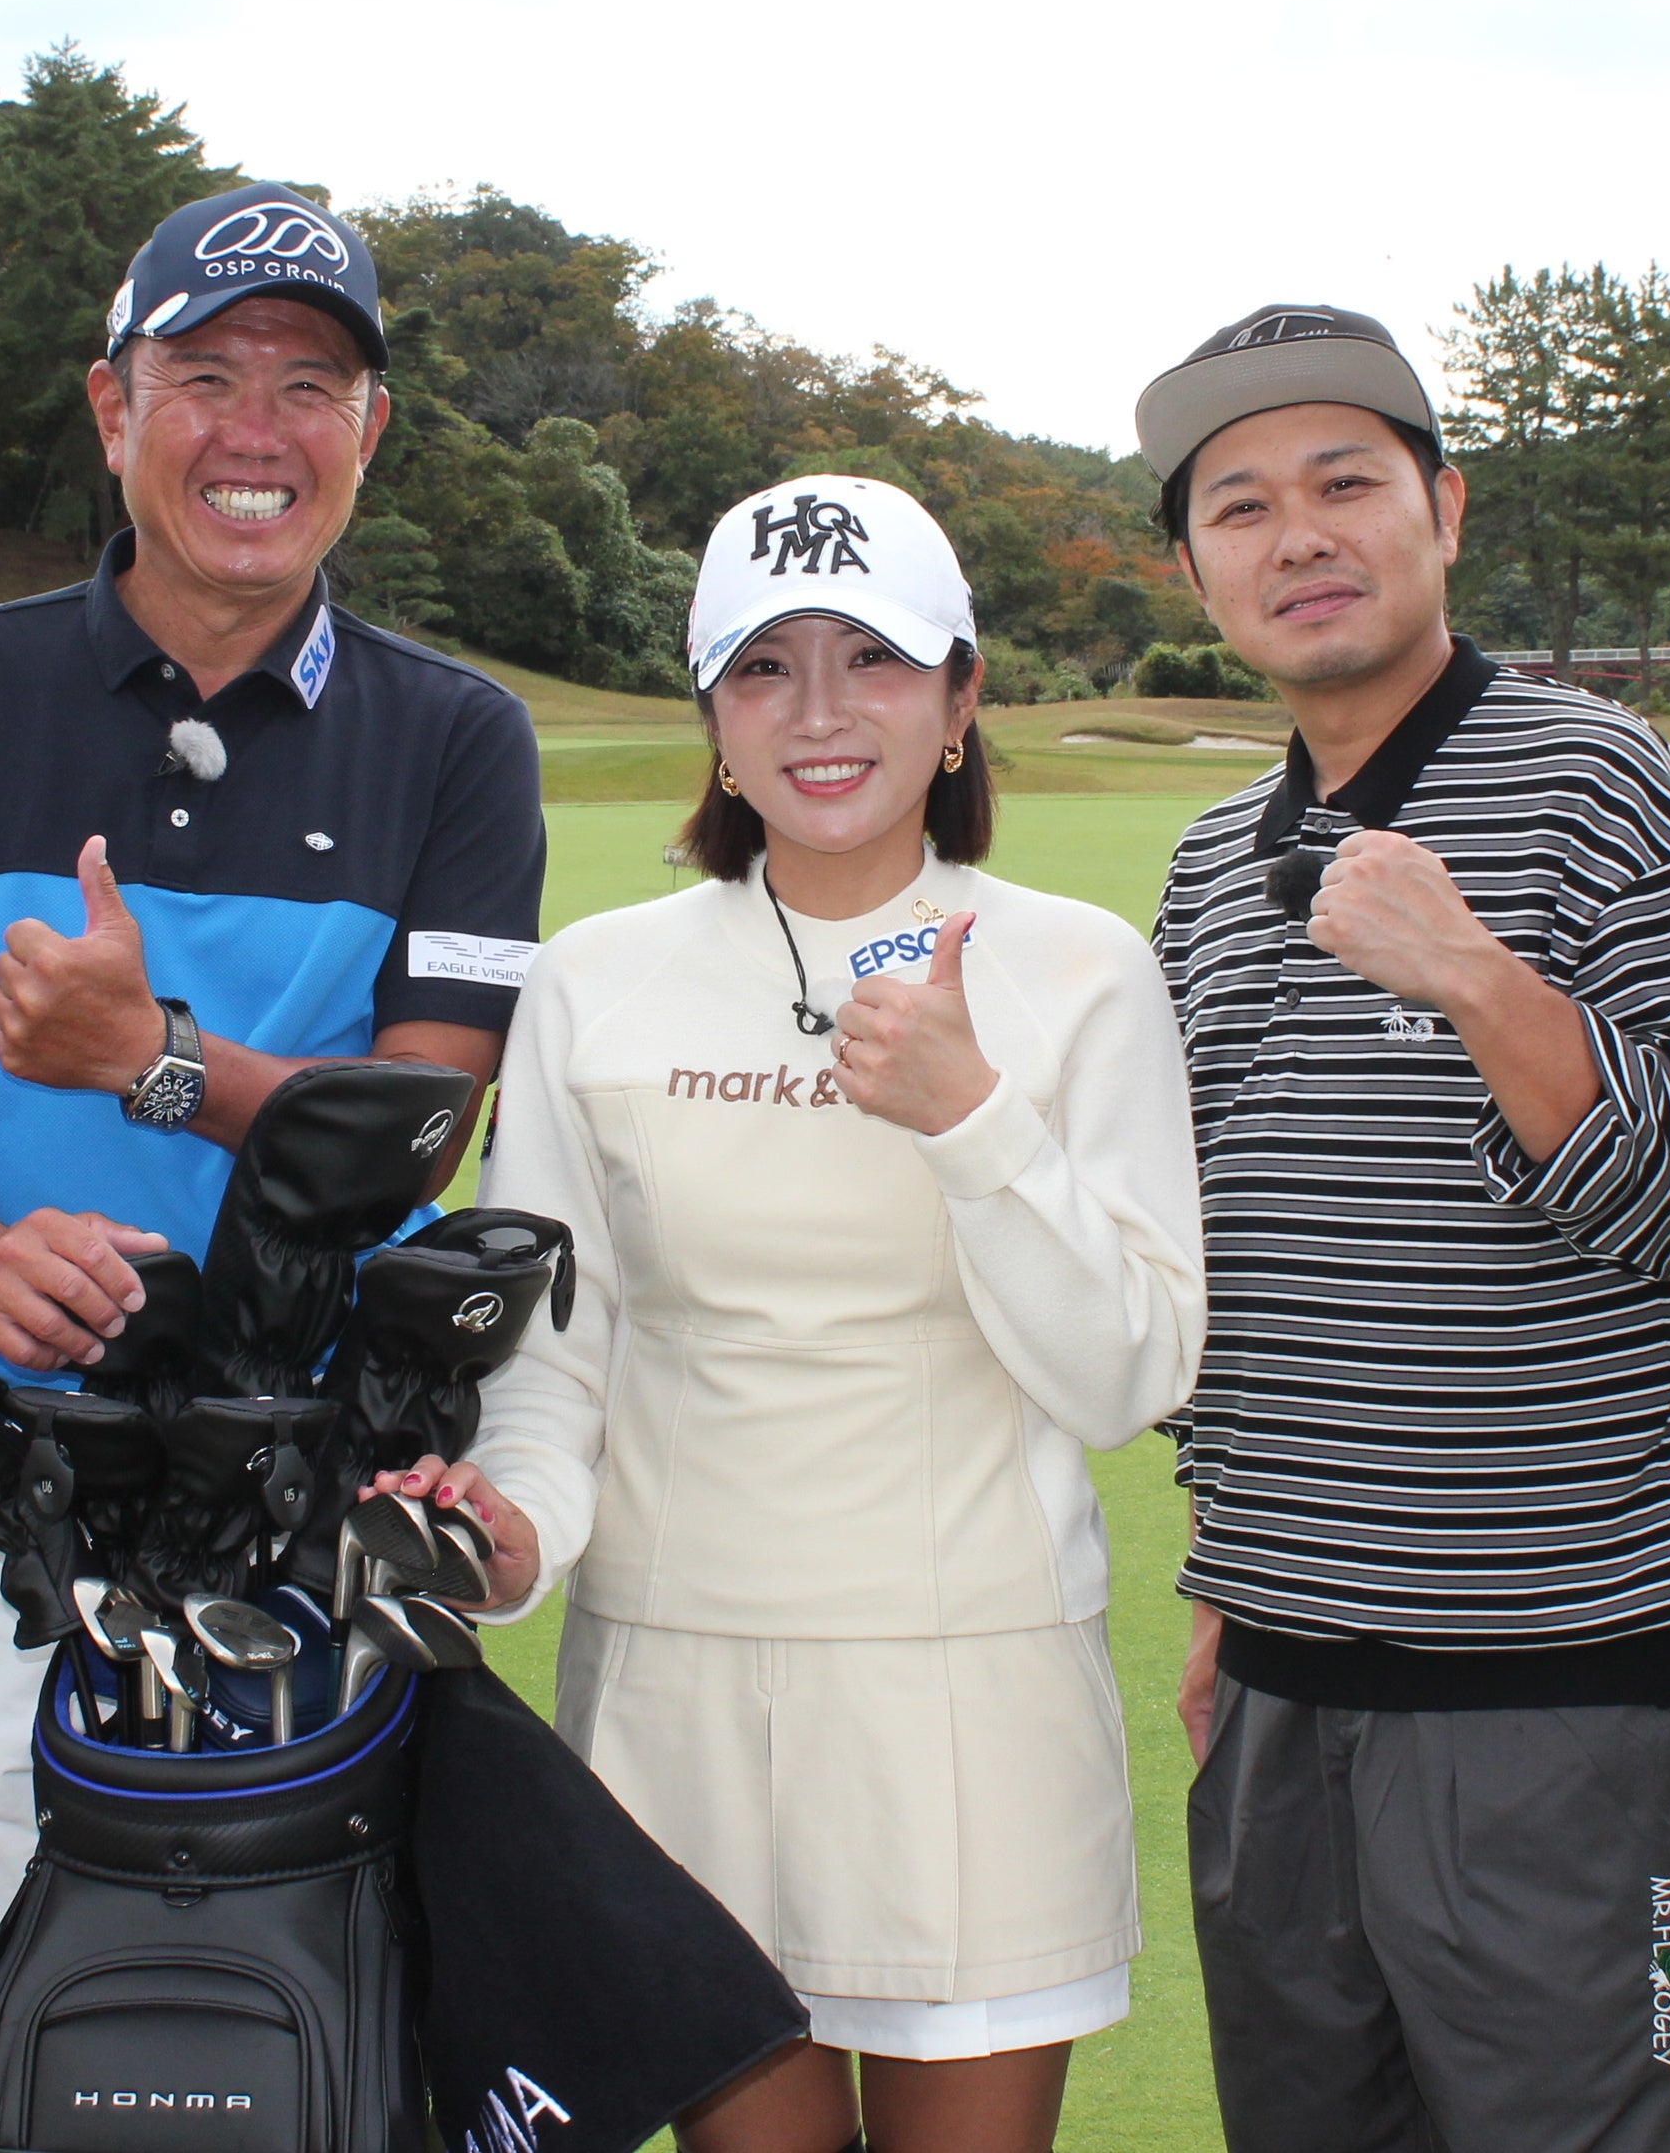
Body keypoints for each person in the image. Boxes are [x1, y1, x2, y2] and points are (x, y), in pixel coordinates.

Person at [0, 181, 546, 2001]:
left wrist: (154, 1062)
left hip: (326, 1482)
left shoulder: (455, 735)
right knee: (27, 1998)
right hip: (1, 1479)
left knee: (324, 2023)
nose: (257, 431)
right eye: (205, 377)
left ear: (369, 434)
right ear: (114, 408)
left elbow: (427, 1127)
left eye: (310, 385)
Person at [391, 474, 1205, 2153]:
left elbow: (1127, 1369)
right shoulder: (595, 977)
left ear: (962, 698)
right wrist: (515, 1529)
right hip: (669, 1696)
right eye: (764, 666)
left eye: (874, 659)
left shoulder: (1080, 970)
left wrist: (973, 1120)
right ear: (712, 713)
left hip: (973, 1699)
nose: (820, 713)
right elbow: (556, 1350)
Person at [1139, 307, 1670, 2150]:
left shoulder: (1598, 782)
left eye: (1346, 483)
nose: (1299, 537)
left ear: (1447, 509)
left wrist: (1478, 979)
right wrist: (1225, 1570)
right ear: (1194, 570)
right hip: (1277, 1689)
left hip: (1553, 1696)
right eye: (1241, 507)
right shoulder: (1208, 863)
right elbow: (1231, 1250)